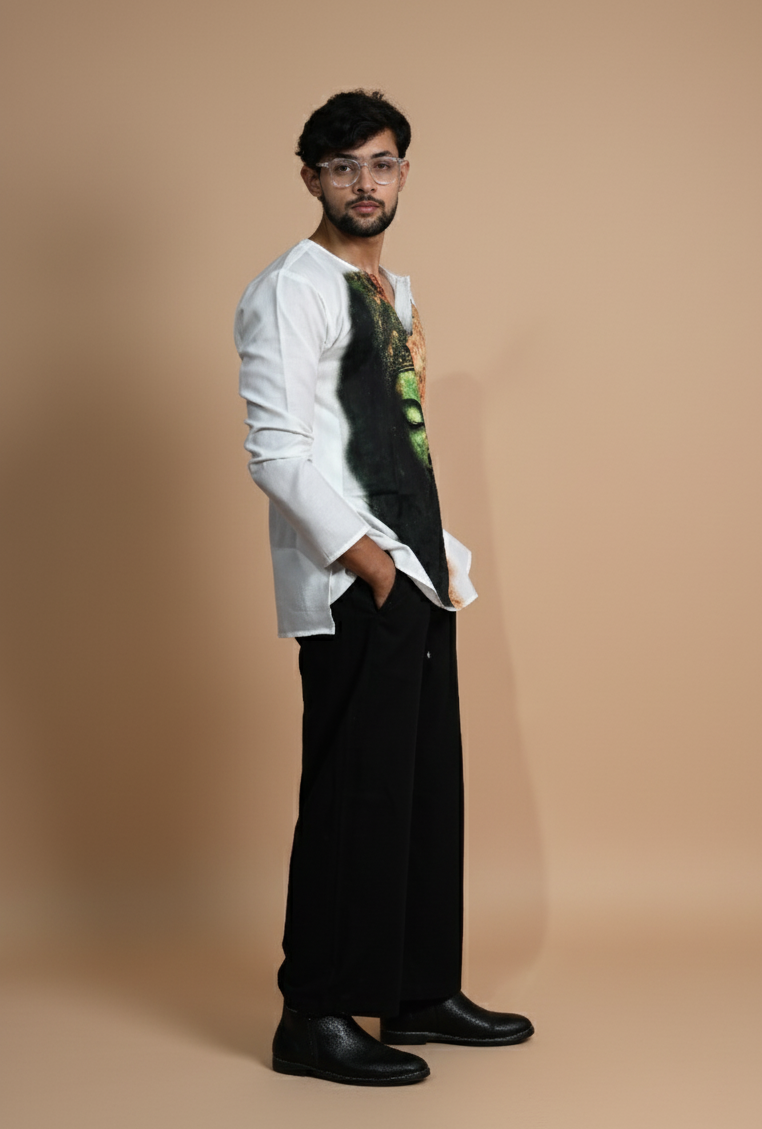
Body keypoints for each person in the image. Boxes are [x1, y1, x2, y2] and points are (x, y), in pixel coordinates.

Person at [235, 90, 534, 1086]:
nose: (364, 183)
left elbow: (395, 439)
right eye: (343, 166)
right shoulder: (293, 288)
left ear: (404, 171)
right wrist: (371, 568)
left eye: (381, 162)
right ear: (311, 178)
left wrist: (430, 564)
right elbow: (277, 452)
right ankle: (313, 1014)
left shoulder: (388, 289)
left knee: (421, 790)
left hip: (416, 572)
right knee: (351, 794)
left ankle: (414, 988)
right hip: (354, 580)